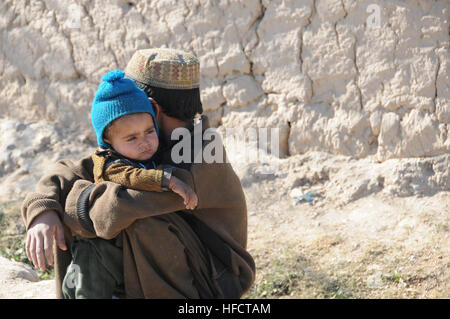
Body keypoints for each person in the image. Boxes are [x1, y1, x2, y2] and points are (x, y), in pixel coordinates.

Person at [22, 48, 255, 299]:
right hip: (186, 269)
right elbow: (76, 169)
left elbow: (115, 208)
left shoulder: (199, 160)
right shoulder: (148, 142)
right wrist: (44, 210)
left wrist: (72, 199)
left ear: (151, 108)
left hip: (213, 282)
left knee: (139, 220)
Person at [61, 69, 198, 298]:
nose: (144, 142)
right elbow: (132, 177)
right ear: (107, 141)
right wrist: (169, 181)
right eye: (131, 138)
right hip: (99, 252)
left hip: (130, 255)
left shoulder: (151, 155)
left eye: (149, 131)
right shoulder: (109, 163)